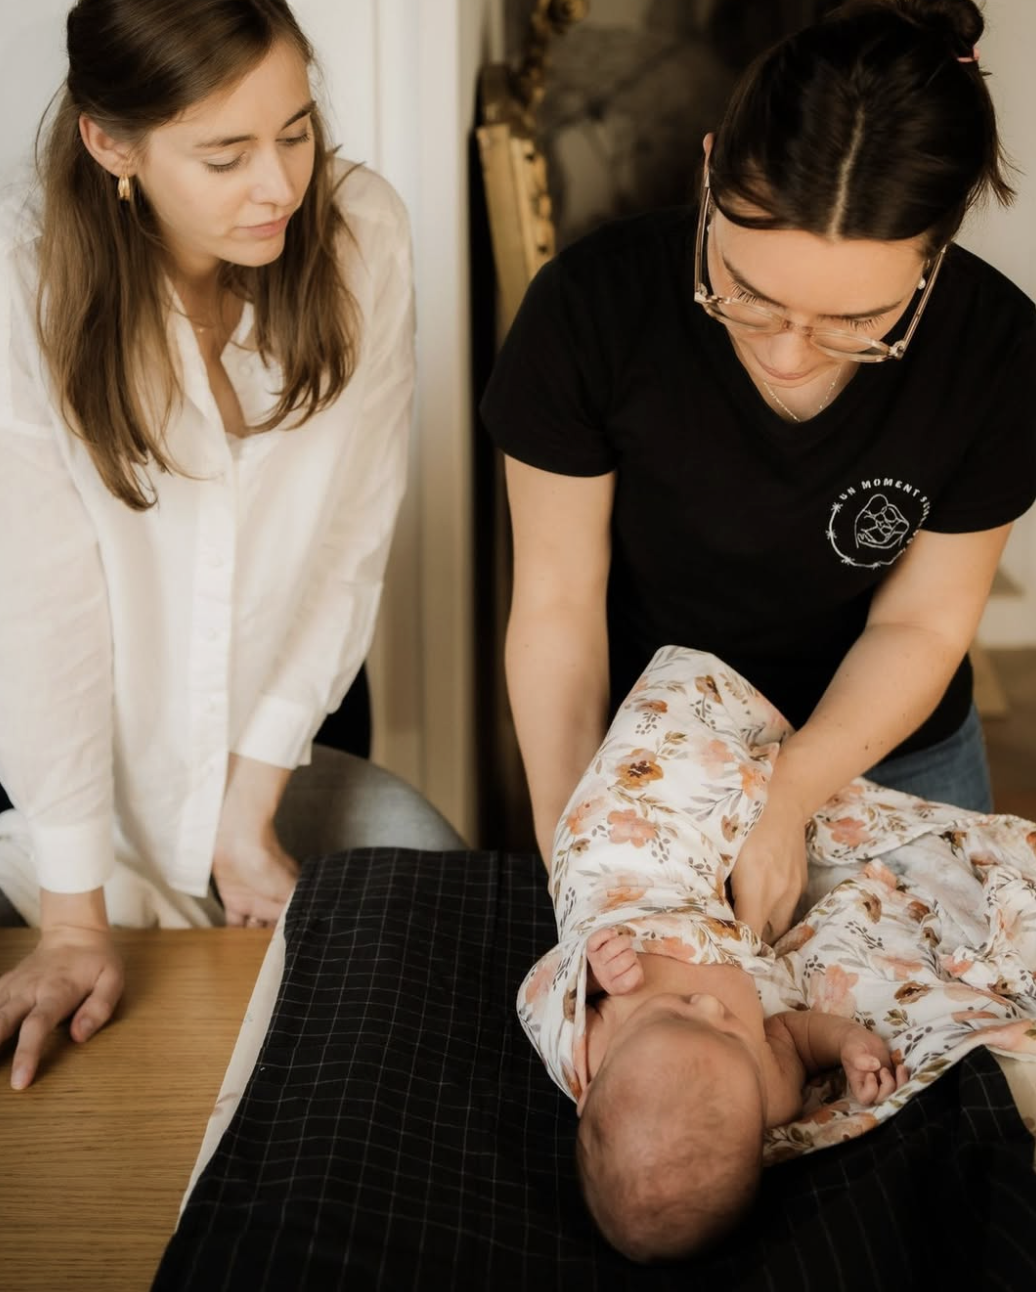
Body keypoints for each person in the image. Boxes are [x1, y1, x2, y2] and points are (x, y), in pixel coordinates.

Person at [480, 0, 1036, 943]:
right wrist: (580, 847)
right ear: (709, 171)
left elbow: (921, 620)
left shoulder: (999, 357)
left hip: (890, 748)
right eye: (746, 293)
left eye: (857, 324)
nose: (787, 356)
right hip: (655, 752)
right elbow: (560, 605)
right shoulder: (589, 311)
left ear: (933, 256)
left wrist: (784, 798)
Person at [0, 0, 462, 1093]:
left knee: (443, 916)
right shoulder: (24, 289)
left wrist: (245, 817)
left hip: (270, 738)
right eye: (225, 153)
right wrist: (73, 915)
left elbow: (352, 531)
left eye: (297, 130)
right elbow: (40, 608)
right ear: (110, 144)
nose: (280, 187)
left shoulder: (362, 234)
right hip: (61, 776)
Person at [575, 924, 906, 1262]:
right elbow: (794, 1037)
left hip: (625, 905)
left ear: (588, 1093)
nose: (709, 1005)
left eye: (674, 1017)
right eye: (731, 1037)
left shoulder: (590, 1051)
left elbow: (547, 993)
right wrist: (847, 1042)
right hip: (717, 911)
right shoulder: (772, 1095)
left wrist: (595, 975)